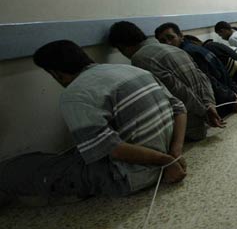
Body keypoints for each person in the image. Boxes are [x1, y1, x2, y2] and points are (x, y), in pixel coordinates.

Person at [0, 40, 188, 207]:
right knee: (64, 156)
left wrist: (166, 161)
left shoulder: (75, 94)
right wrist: (175, 153)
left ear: (56, 74)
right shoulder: (134, 70)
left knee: (18, 171)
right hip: (167, 159)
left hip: (131, 176)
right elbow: (179, 108)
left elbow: (112, 149)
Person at [108, 21, 226, 142]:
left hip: (188, 127)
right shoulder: (175, 49)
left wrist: (204, 112)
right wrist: (209, 105)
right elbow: (202, 78)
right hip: (204, 118)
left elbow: (176, 90)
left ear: (122, 47)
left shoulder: (140, 59)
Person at [154, 22, 237, 107]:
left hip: (224, 101)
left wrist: (231, 98)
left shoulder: (188, 53)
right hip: (232, 92)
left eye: (171, 37)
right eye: (163, 41)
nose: (168, 43)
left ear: (180, 36)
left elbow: (208, 79)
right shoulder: (197, 48)